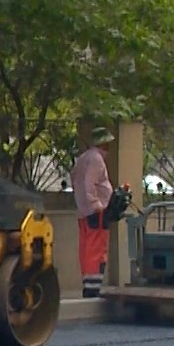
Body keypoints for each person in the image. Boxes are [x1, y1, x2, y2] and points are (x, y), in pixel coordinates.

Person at [71, 128, 115, 299]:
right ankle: (93, 287)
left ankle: (88, 284)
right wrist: (96, 203)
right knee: (96, 249)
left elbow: (75, 178)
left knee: (86, 247)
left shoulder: (83, 158)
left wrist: (83, 201)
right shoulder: (96, 159)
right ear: (102, 143)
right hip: (97, 211)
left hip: (84, 211)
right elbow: (90, 183)